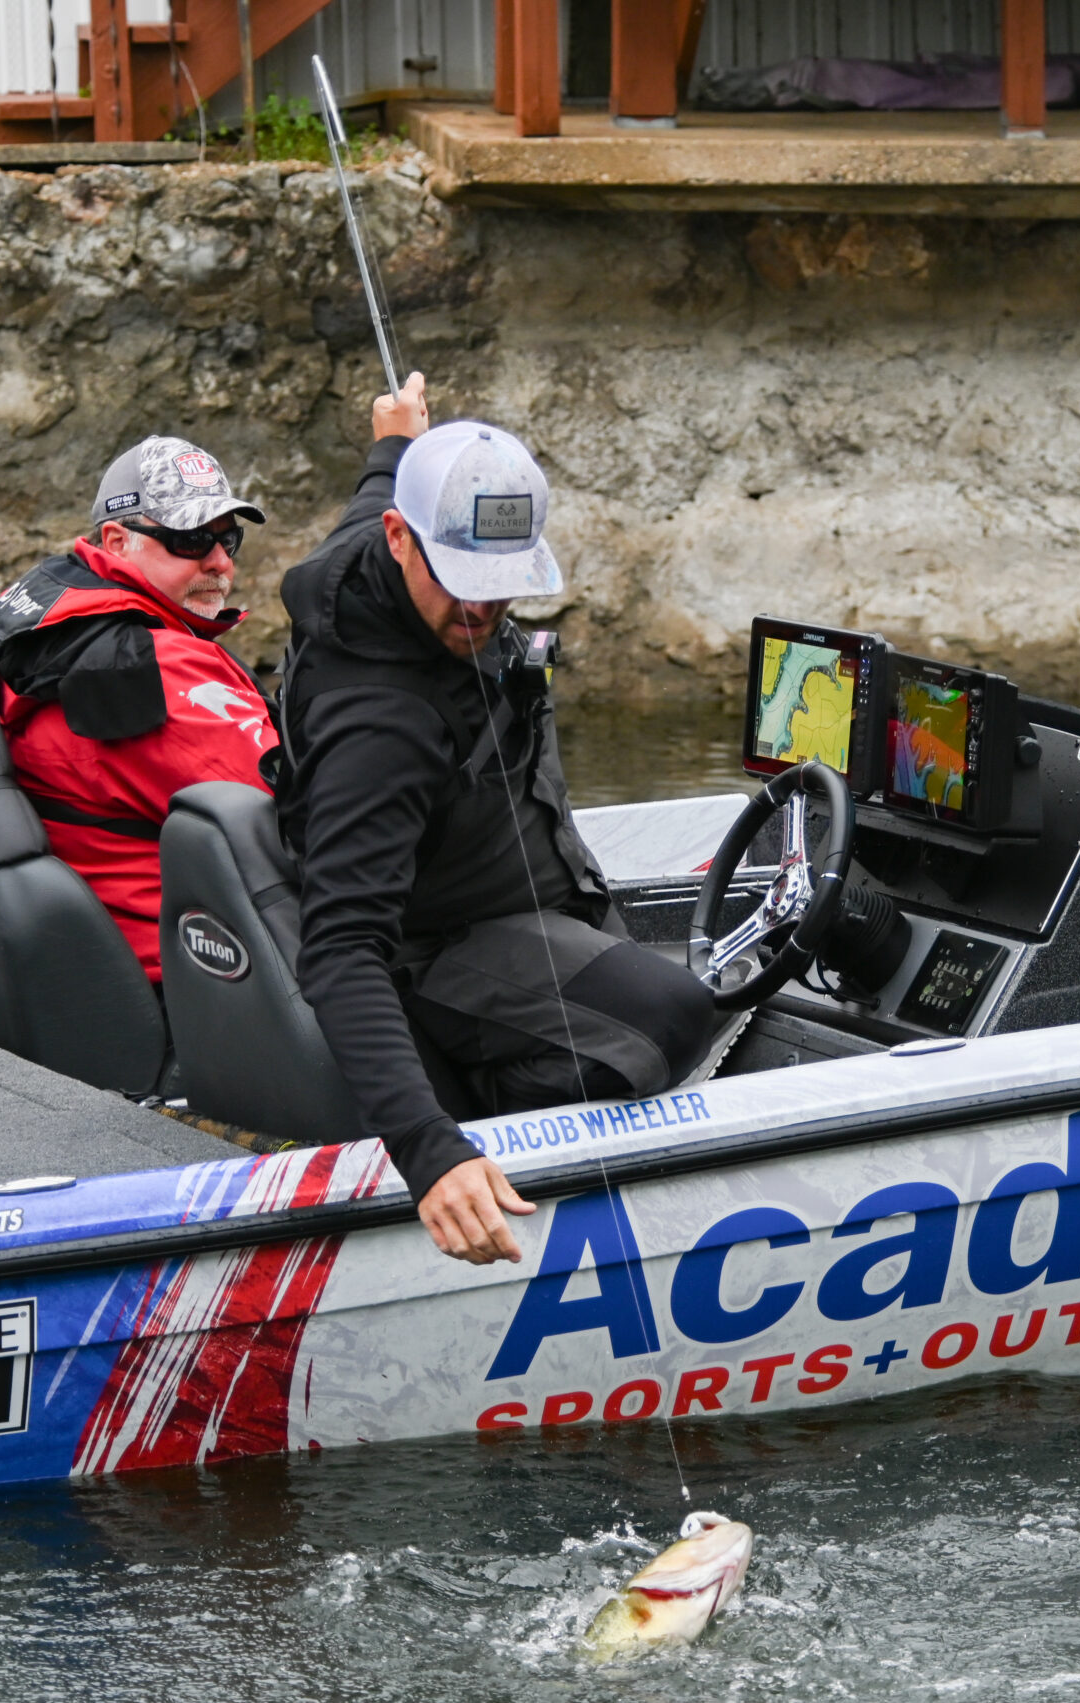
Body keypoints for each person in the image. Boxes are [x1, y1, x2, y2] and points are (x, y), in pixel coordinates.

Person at [276, 376, 720, 1266]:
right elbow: (338, 947)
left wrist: (398, 439)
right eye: (459, 585)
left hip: (516, 886)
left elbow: (376, 490)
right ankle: (486, 1103)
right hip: (439, 948)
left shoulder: (373, 545)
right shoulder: (380, 726)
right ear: (403, 541)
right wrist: (431, 1150)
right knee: (672, 1012)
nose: (478, 613)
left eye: (500, 589)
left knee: (639, 979)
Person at [0, 438, 279, 979]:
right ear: (116, 540)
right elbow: (289, 827)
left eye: (229, 537)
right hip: (203, 971)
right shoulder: (161, 669)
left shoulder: (45, 632)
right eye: (190, 539)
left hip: (99, 950)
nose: (221, 562)